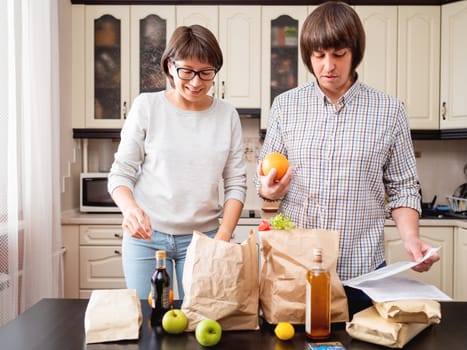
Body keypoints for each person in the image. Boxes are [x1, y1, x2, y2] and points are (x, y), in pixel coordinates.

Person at [256, 1, 440, 318]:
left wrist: (411, 239)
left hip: (363, 271)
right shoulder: (285, 107)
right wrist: (269, 191)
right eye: (319, 56)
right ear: (308, 57)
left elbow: (404, 187)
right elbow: (267, 179)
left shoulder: (389, 110)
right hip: (298, 267)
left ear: (354, 52)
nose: (329, 65)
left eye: (338, 54)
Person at [108, 25, 247, 300]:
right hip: (146, 238)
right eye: (187, 71)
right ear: (170, 66)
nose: (196, 82)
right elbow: (120, 174)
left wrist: (224, 234)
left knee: (198, 318)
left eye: (206, 72)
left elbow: (236, 183)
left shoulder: (227, 115)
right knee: (150, 320)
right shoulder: (146, 107)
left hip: (203, 238)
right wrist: (130, 209)